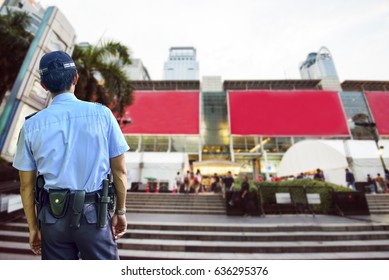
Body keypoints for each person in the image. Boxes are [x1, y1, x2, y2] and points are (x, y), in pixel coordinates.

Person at [12, 51, 128, 260]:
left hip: (52, 218)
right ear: (75, 78)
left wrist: (33, 228)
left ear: (43, 85)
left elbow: (26, 185)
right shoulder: (103, 115)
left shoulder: (31, 125)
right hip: (94, 215)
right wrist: (120, 211)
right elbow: (120, 170)